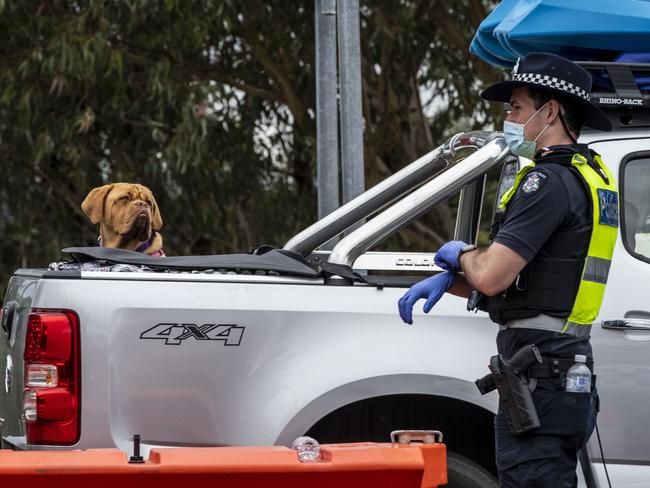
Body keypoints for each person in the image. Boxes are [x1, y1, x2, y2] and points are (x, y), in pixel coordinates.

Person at [398, 52, 618, 487]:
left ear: (550, 110)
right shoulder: (590, 177)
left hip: (540, 381)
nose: (508, 119)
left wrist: (460, 255)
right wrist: (457, 284)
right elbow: (537, 286)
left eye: (516, 108)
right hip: (560, 374)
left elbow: (493, 273)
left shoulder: (547, 183)